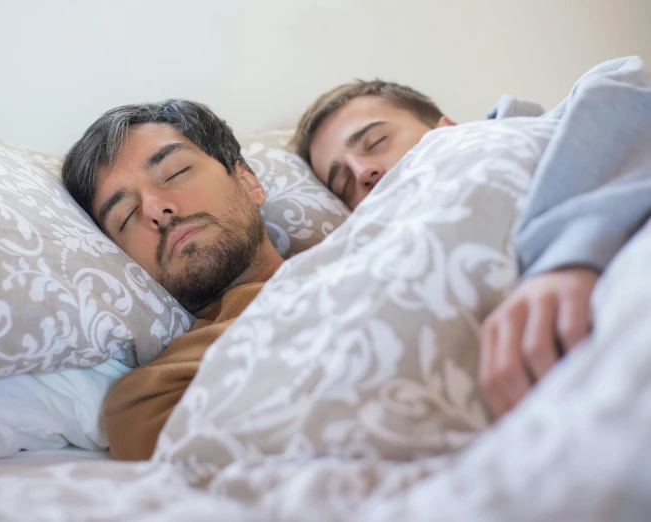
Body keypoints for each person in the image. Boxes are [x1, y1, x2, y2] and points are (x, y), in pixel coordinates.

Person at [292, 60, 651, 419]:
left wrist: (571, 253)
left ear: (447, 128)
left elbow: (625, 89)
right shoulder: (367, 257)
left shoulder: (548, 129)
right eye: (343, 185)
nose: (362, 172)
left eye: (376, 141)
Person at [62, 101, 284, 460]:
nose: (154, 208)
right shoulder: (154, 397)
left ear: (248, 182)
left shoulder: (376, 243)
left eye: (174, 173)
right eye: (126, 214)